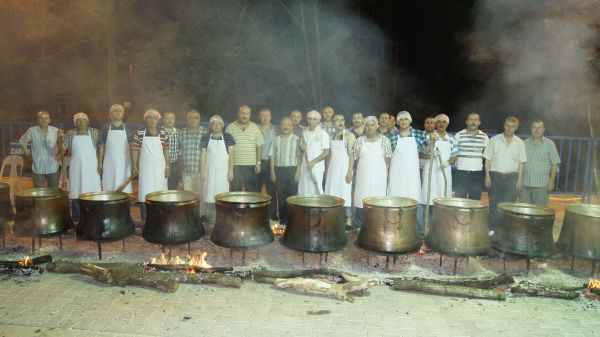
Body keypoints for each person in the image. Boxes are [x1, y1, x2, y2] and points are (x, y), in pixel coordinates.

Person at [483, 116, 527, 229]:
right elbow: (487, 159)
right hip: (495, 176)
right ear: (504, 125)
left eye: (512, 126)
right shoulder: (494, 140)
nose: (509, 128)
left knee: (509, 205)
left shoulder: (520, 143)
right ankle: (492, 229)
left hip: (512, 178)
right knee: (494, 204)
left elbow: (521, 163)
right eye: (507, 125)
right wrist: (487, 176)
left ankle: (506, 230)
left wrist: (519, 180)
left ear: (516, 127)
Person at [131, 109, 170, 222]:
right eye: (150, 118)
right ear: (146, 119)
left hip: (160, 168)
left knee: (161, 192)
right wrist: (135, 166)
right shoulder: (139, 133)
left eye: (155, 118)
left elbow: (166, 151)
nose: (152, 120)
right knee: (144, 192)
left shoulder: (163, 133)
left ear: (158, 120)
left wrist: (167, 167)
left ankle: (161, 219)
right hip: (145, 169)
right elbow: (134, 150)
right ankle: (145, 220)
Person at [353, 116, 392, 229]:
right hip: (362, 175)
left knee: (378, 198)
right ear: (364, 127)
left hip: (379, 175)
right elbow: (355, 157)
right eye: (367, 125)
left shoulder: (385, 140)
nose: (370, 127)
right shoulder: (359, 140)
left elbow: (388, 158)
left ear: (377, 126)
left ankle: (377, 226)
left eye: (372, 125)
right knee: (361, 197)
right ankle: (359, 227)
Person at [62, 113, 101, 222]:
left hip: (92, 168)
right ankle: (77, 218)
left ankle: (93, 216)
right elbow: (62, 148)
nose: (81, 122)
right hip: (76, 167)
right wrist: (59, 139)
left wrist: (100, 164)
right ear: (75, 123)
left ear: (87, 122)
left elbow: (100, 149)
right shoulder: (70, 134)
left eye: (83, 120)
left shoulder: (95, 132)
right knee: (75, 191)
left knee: (92, 192)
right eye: (78, 120)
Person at [387, 111, 428, 203]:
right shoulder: (392, 136)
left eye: (406, 119)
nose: (403, 122)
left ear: (410, 120)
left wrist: (433, 142)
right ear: (397, 122)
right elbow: (388, 156)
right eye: (400, 120)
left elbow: (426, 149)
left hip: (412, 173)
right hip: (396, 172)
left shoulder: (418, 134)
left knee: (412, 195)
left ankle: (412, 216)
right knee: (395, 195)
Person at [200, 115, 235, 219]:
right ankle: (208, 216)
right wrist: (202, 171)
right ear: (211, 126)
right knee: (208, 194)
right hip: (209, 171)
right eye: (214, 124)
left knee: (222, 195)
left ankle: (222, 217)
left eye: (218, 123)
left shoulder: (228, 137)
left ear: (222, 125)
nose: (216, 125)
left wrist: (231, 171)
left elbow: (232, 156)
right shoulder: (205, 137)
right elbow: (203, 155)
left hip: (223, 173)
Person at [520, 120, 561, 206]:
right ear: (531, 129)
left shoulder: (550, 144)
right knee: (524, 212)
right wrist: (519, 180)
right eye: (534, 127)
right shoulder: (524, 143)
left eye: (539, 128)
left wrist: (551, 181)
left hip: (542, 185)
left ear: (543, 129)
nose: (537, 130)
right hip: (525, 184)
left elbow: (554, 164)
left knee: (539, 213)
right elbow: (520, 163)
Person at [325, 114, 355, 224]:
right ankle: (332, 219)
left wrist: (349, 172)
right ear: (333, 123)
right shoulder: (331, 136)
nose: (340, 122)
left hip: (344, 170)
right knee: (332, 194)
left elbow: (352, 155)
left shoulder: (349, 136)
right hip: (333, 171)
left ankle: (348, 220)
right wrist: (327, 171)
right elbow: (329, 156)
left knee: (345, 194)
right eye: (337, 120)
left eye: (342, 120)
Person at [270, 117, 301, 226]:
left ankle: (292, 219)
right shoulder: (275, 139)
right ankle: (283, 219)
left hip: (292, 170)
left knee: (292, 195)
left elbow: (299, 157)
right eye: (283, 124)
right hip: (279, 170)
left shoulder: (297, 139)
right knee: (281, 195)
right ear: (280, 126)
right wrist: (272, 172)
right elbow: (272, 157)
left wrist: (298, 171)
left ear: (292, 126)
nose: (286, 126)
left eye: (288, 124)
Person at [226, 105, 264, 192]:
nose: (244, 115)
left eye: (247, 113)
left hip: (251, 166)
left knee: (252, 193)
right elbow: (226, 149)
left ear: (250, 115)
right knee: (235, 193)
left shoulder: (255, 127)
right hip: (235, 166)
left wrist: (258, 163)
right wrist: (229, 167)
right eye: (242, 113)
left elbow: (259, 145)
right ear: (238, 114)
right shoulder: (230, 128)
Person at [20, 111, 63, 188]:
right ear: (37, 120)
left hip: (52, 166)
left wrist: (60, 155)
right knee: (38, 192)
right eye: (41, 118)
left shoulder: (56, 130)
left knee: (53, 191)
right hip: (37, 167)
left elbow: (63, 145)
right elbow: (22, 141)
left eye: (46, 118)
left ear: (49, 120)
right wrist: (27, 153)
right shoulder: (32, 130)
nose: (44, 120)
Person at [98, 104, 135, 193]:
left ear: (123, 114)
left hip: (125, 163)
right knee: (109, 188)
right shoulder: (106, 128)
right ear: (111, 115)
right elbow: (102, 146)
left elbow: (132, 147)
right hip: (109, 162)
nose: (117, 112)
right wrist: (100, 163)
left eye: (120, 111)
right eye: (115, 111)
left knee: (124, 190)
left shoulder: (128, 128)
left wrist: (134, 165)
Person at [421, 114, 457, 205]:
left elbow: (456, 155)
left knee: (443, 195)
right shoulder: (428, 137)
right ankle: (428, 217)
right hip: (430, 171)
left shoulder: (452, 138)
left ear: (447, 124)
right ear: (435, 124)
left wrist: (448, 162)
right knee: (428, 195)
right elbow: (422, 152)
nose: (441, 124)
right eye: (439, 122)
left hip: (444, 170)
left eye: (444, 122)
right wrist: (432, 145)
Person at [453, 112, 489, 200]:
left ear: (479, 122)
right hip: (461, 173)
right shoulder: (459, 135)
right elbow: (453, 153)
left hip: (477, 175)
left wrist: (487, 175)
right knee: (460, 201)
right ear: (466, 122)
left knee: (475, 201)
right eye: (471, 120)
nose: (473, 122)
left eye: (475, 120)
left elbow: (488, 157)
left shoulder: (484, 136)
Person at [298, 110, 330, 195]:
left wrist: (313, 162)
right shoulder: (303, 133)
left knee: (316, 189)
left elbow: (327, 152)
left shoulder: (323, 134)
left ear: (318, 120)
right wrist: (302, 147)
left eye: (314, 119)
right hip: (305, 165)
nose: (311, 121)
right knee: (304, 188)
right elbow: (302, 150)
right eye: (310, 119)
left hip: (317, 166)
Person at [179, 109, 208, 197]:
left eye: (196, 118)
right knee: (188, 197)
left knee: (202, 196)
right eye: (190, 118)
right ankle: (190, 211)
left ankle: (202, 212)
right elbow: (178, 152)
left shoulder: (205, 132)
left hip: (200, 172)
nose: (193, 120)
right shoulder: (181, 133)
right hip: (186, 172)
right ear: (187, 120)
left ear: (199, 120)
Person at [257, 108, 279, 220]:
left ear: (271, 117)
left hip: (271, 163)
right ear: (259, 117)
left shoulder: (276, 130)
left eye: (267, 116)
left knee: (271, 190)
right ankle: (256, 214)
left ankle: (272, 214)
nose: (265, 118)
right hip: (257, 163)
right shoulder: (254, 129)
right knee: (255, 191)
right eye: (263, 115)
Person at [163, 112, 181, 190]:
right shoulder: (159, 132)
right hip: (162, 164)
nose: (170, 120)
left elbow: (181, 147)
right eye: (167, 118)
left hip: (174, 165)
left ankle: (172, 201)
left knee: (174, 186)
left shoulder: (178, 132)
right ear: (164, 120)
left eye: (172, 118)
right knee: (162, 185)